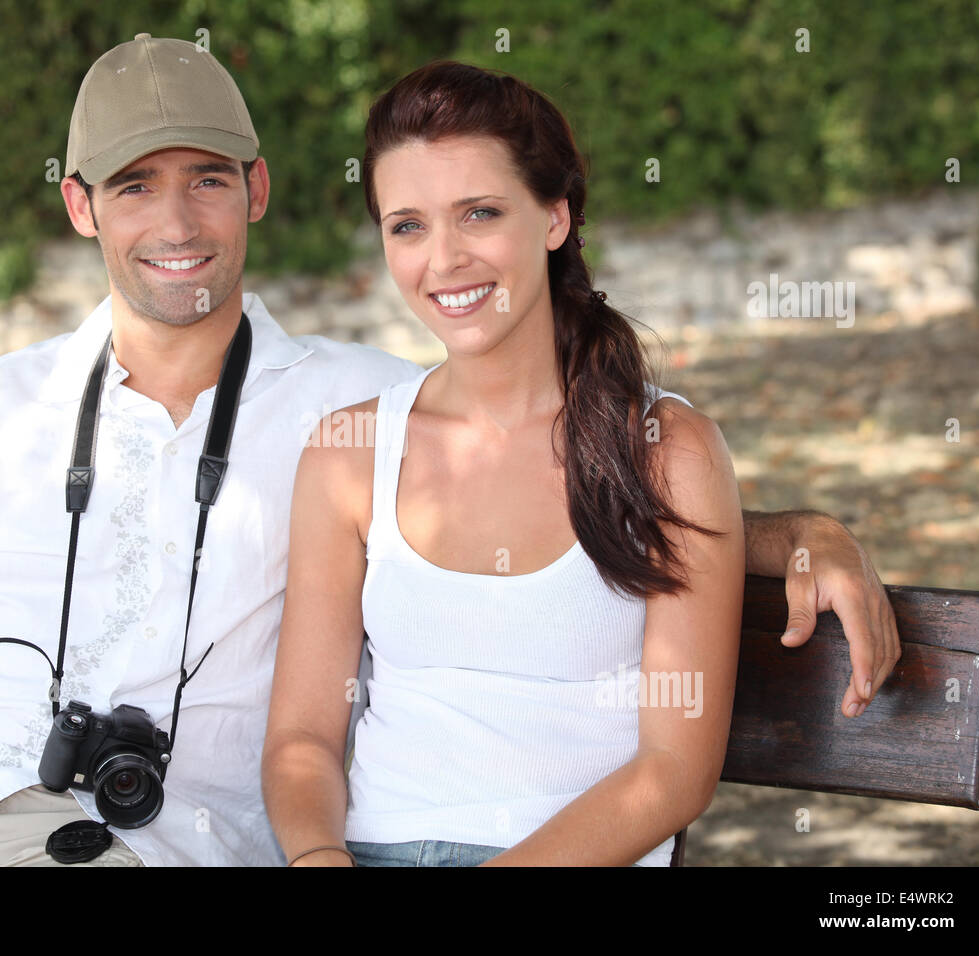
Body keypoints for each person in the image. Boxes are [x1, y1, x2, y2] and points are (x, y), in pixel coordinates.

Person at [0, 37, 897, 868]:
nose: (176, 225)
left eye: (207, 181)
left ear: (258, 190)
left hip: (138, 841)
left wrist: (794, 531)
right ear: (80, 207)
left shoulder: (347, 409)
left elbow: (564, 441)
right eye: (135, 188)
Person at [260, 61, 870, 868]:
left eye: (479, 213)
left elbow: (674, 772)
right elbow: (302, 737)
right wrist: (315, 858)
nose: (442, 260)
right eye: (407, 225)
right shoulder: (349, 456)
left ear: (554, 217)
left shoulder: (667, 453)